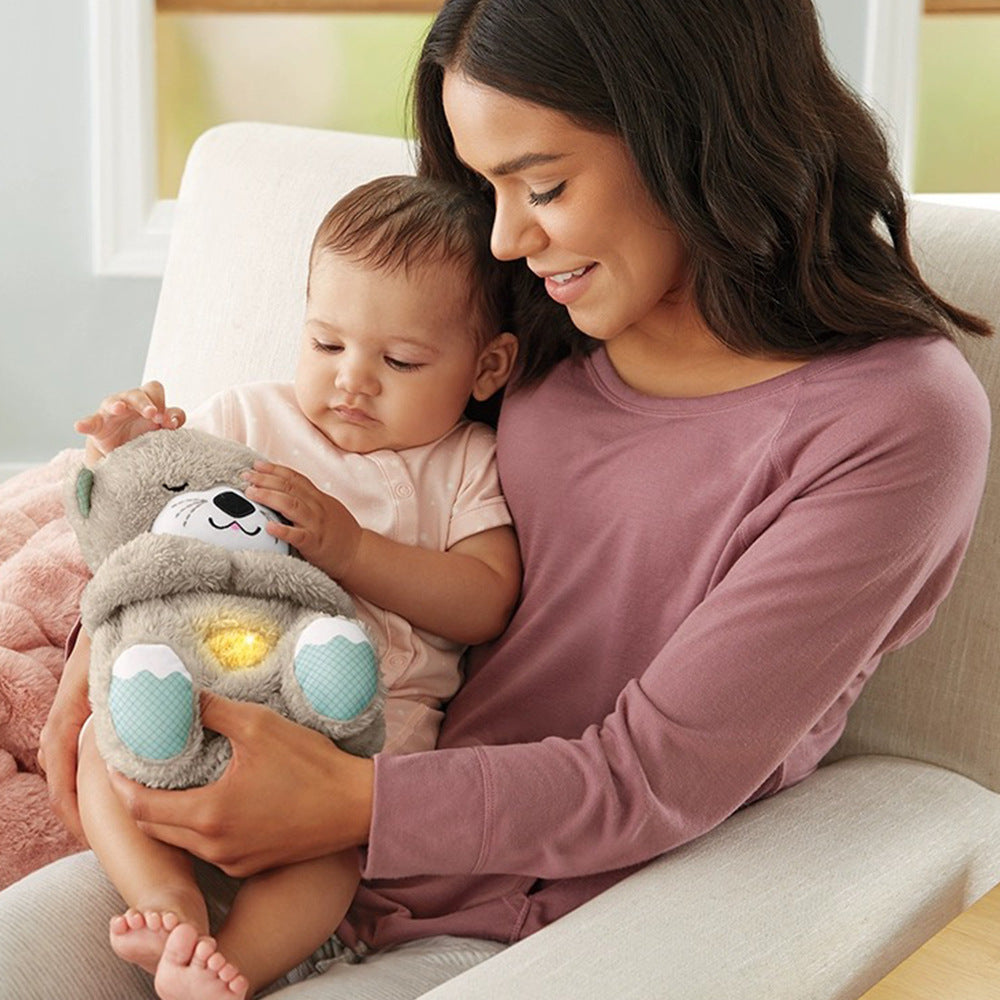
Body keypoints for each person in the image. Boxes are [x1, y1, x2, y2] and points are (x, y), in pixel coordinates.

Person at [2, 0, 993, 997]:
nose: (508, 237)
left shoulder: (892, 423)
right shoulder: (539, 313)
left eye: (544, 184)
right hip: (275, 812)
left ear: (695, 129)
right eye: (487, 188)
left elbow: (648, 774)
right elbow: (308, 474)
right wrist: (117, 636)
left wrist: (349, 802)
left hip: (504, 915)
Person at [67, 173, 521, 1000]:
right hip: (197, 694)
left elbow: (487, 597)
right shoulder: (249, 418)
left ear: (487, 366)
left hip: (339, 745)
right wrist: (125, 450)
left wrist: (351, 549)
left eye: (401, 359)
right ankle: (167, 904)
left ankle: (232, 967)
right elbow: (148, 522)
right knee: (103, 747)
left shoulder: (462, 464)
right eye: (326, 344)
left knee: (332, 863)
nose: (353, 379)